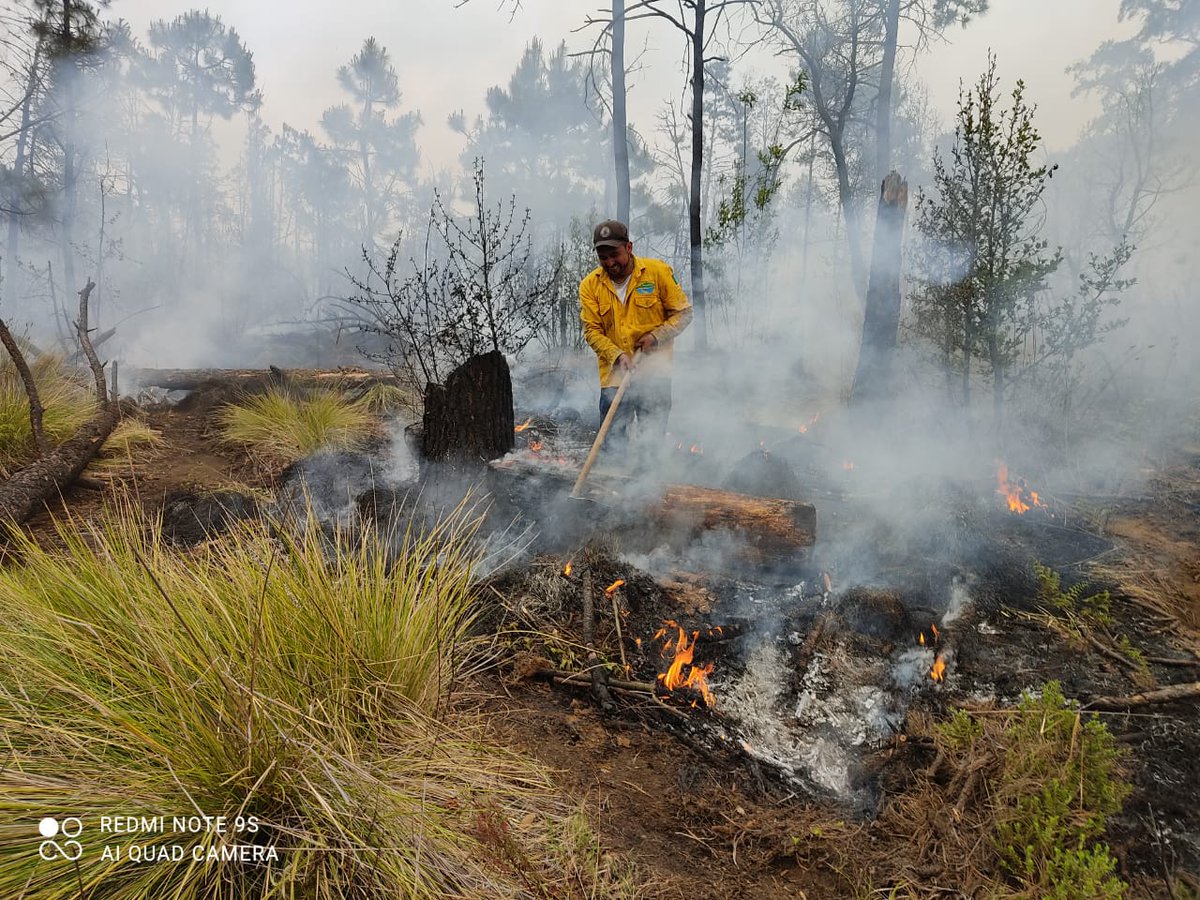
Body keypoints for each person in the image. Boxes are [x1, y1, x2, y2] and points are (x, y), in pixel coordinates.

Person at [579, 220, 693, 447]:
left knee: (649, 447)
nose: (610, 263)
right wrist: (618, 355)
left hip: (654, 377)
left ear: (629, 248)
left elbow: (684, 314)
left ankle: (646, 482)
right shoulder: (590, 286)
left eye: (615, 254)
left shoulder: (657, 273)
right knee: (612, 446)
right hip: (614, 378)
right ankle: (611, 483)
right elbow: (592, 332)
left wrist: (655, 337)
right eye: (603, 257)